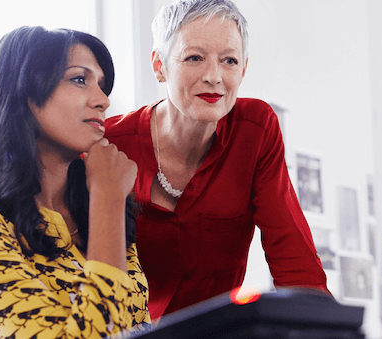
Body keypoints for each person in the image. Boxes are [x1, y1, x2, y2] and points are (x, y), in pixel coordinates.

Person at [104, 0, 329, 320]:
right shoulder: (108, 145)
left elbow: (293, 258)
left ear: (244, 69)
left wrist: (321, 326)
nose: (214, 76)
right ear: (159, 65)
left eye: (229, 61)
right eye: (194, 57)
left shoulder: (256, 130)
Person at [0, 26, 150, 338]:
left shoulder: (97, 209)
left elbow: (141, 327)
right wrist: (108, 201)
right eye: (79, 79)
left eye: (101, 85)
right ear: (24, 92)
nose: (103, 100)